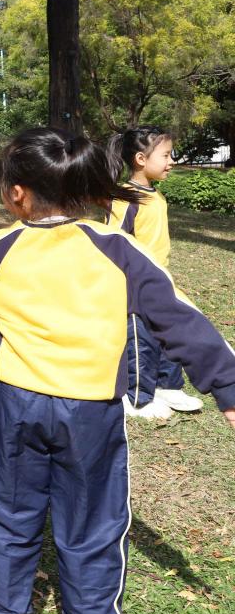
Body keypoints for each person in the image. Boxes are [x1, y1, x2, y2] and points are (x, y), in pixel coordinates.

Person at [0, 128, 235, 614]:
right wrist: (227, 385)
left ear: (17, 194)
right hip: (90, 413)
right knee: (94, 526)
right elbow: (180, 318)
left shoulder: (3, 245)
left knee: (8, 514)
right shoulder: (118, 249)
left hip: (13, 405)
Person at [107, 125, 203, 420]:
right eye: (166, 155)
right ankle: (136, 397)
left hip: (160, 282)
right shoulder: (126, 197)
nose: (171, 161)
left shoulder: (156, 195)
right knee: (142, 341)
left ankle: (168, 385)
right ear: (140, 159)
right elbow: (112, 240)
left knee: (169, 334)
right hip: (135, 285)